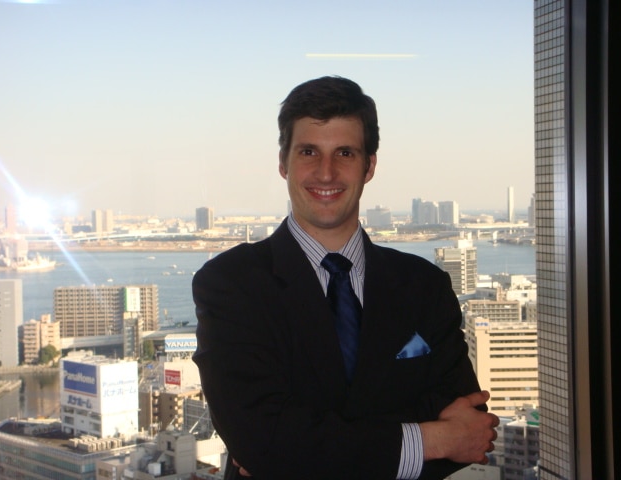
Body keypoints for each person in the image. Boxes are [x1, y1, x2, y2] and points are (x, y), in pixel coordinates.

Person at [192, 76, 499, 480]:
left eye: (345, 152)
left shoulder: (423, 285)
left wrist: (296, 452)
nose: (326, 172)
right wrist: (432, 439)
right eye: (308, 152)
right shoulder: (232, 284)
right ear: (283, 162)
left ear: (369, 165)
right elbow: (261, 439)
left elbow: (469, 428)